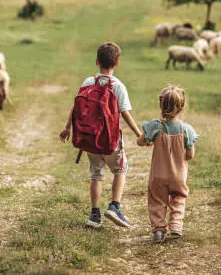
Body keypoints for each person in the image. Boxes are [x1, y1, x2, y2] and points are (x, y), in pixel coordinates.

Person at [60, 42, 142, 228]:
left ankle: (94, 215)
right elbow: (125, 113)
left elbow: (76, 108)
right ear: (117, 64)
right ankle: (115, 206)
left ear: (97, 62)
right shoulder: (118, 86)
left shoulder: (88, 82)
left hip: (90, 140)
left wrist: (67, 128)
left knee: (96, 174)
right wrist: (139, 134)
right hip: (110, 141)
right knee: (120, 169)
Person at [137, 85, 199, 243]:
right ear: (182, 106)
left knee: (157, 200)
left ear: (161, 105)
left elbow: (140, 142)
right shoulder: (187, 130)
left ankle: (158, 230)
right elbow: (190, 155)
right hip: (178, 176)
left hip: (158, 176)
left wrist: (146, 137)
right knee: (178, 198)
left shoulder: (155, 126)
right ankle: (176, 226)